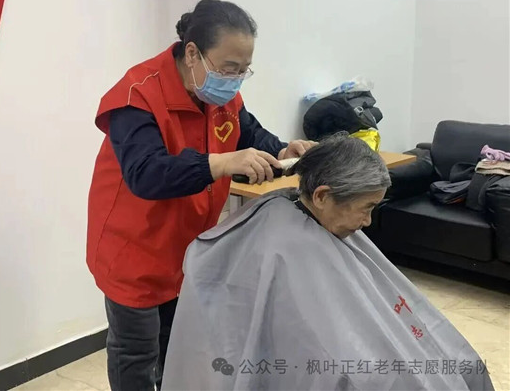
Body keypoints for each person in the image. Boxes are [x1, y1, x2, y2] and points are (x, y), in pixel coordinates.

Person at [86, 0, 315, 391]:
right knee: (136, 354)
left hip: (186, 245)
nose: (235, 79)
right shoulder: (137, 95)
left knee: (177, 345)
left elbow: (248, 133)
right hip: (133, 248)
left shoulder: (219, 95)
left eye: (244, 70)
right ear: (192, 53)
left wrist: (282, 151)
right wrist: (221, 163)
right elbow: (146, 174)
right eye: (229, 68)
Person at [162, 135, 494, 391]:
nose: (367, 222)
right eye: (366, 208)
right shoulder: (284, 246)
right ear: (321, 196)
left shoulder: (315, 222)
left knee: (463, 364)